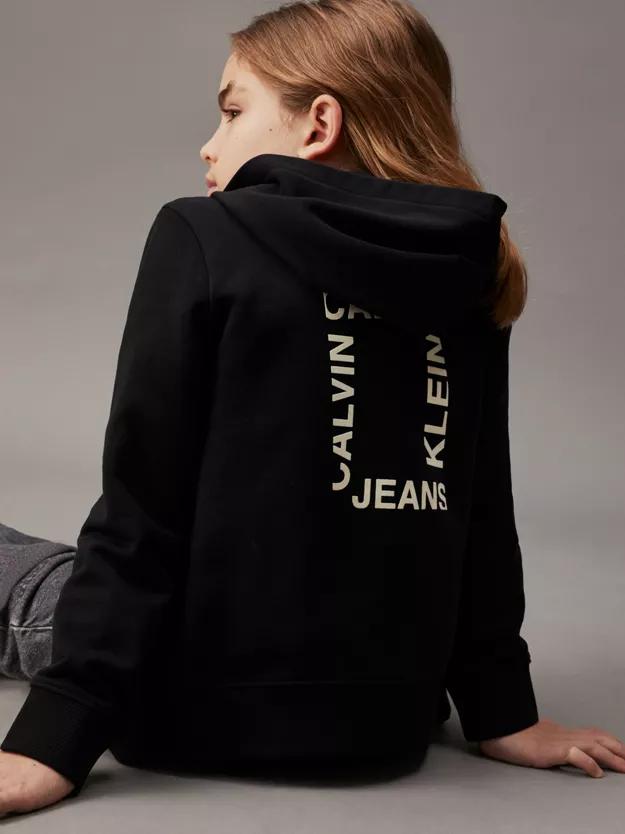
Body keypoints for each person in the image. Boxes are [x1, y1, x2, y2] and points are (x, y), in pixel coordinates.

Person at [1, 0, 624, 818]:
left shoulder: (203, 235)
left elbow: (142, 510)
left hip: (184, 699)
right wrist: (503, 712)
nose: (209, 144)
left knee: (33, 578)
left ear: (318, 123)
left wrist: (53, 738)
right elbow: (478, 510)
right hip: (381, 726)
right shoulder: (470, 265)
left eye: (232, 111)